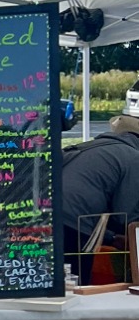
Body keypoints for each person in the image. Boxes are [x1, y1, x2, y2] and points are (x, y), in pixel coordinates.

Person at [61, 89, 139, 257]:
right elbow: (125, 217)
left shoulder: (96, 148)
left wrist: (111, 237)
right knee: (78, 272)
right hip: (72, 225)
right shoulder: (134, 158)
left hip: (37, 217)